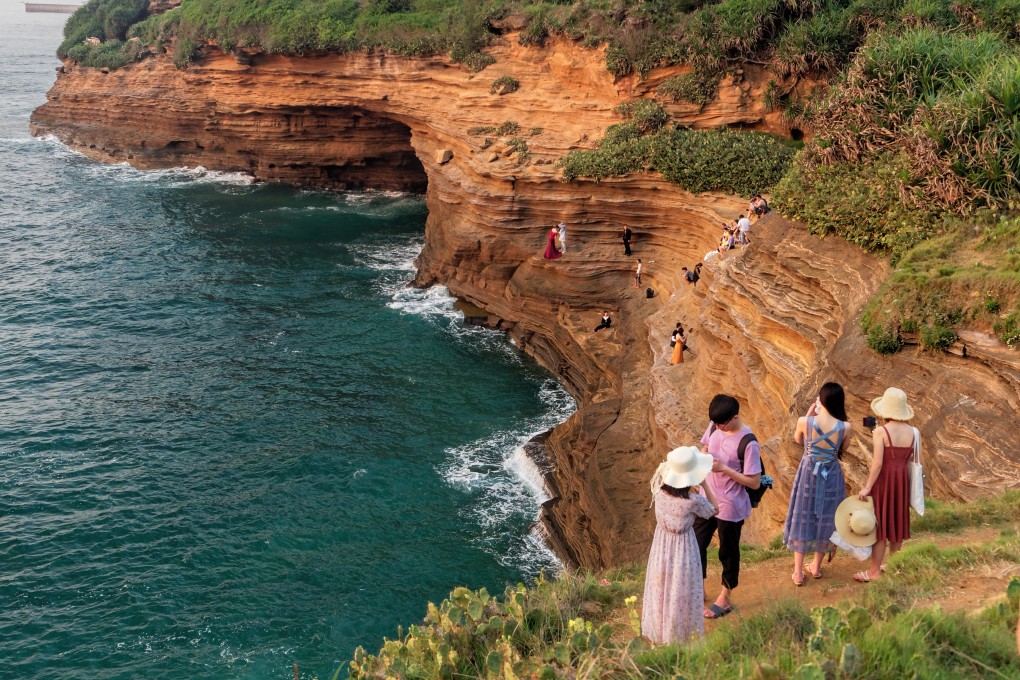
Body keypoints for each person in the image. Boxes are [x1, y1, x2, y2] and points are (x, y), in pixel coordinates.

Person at [642, 446, 719, 644]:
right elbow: (714, 510)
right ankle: (679, 638)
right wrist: (704, 483)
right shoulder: (692, 502)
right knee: (680, 591)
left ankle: (660, 635)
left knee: (661, 590)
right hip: (683, 549)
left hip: (661, 546)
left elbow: (661, 473)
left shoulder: (658, 490)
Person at [695, 394, 762, 619]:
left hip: (730, 505)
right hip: (707, 498)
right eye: (715, 424)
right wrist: (703, 456)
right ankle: (700, 587)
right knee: (696, 543)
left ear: (734, 417)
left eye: (722, 424)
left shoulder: (748, 442)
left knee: (728, 551)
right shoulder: (716, 424)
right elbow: (705, 446)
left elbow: (754, 481)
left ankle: (725, 596)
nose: (718, 428)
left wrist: (724, 468)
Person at [783, 382, 851, 585]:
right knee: (827, 517)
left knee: (803, 515)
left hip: (808, 473)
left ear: (820, 400)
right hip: (831, 475)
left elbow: (797, 440)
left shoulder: (805, 421)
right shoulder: (845, 426)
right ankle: (816, 567)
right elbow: (843, 450)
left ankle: (797, 572)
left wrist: (810, 412)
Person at [855, 387, 917, 582]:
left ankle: (874, 572)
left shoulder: (881, 431)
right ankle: (895, 567)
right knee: (897, 524)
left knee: (881, 528)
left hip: (885, 480)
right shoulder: (914, 432)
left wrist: (867, 487)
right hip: (902, 480)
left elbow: (878, 463)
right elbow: (913, 461)